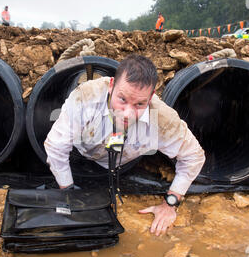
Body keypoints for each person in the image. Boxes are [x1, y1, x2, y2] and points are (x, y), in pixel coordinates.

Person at [44, 54, 206, 236]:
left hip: (123, 163)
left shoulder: (162, 119)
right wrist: (68, 191)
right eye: (122, 99)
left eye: (139, 104)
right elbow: (56, 145)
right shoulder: (86, 97)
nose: (127, 113)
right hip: (80, 155)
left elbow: (194, 156)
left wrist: (170, 203)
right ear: (111, 86)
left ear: (151, 96)